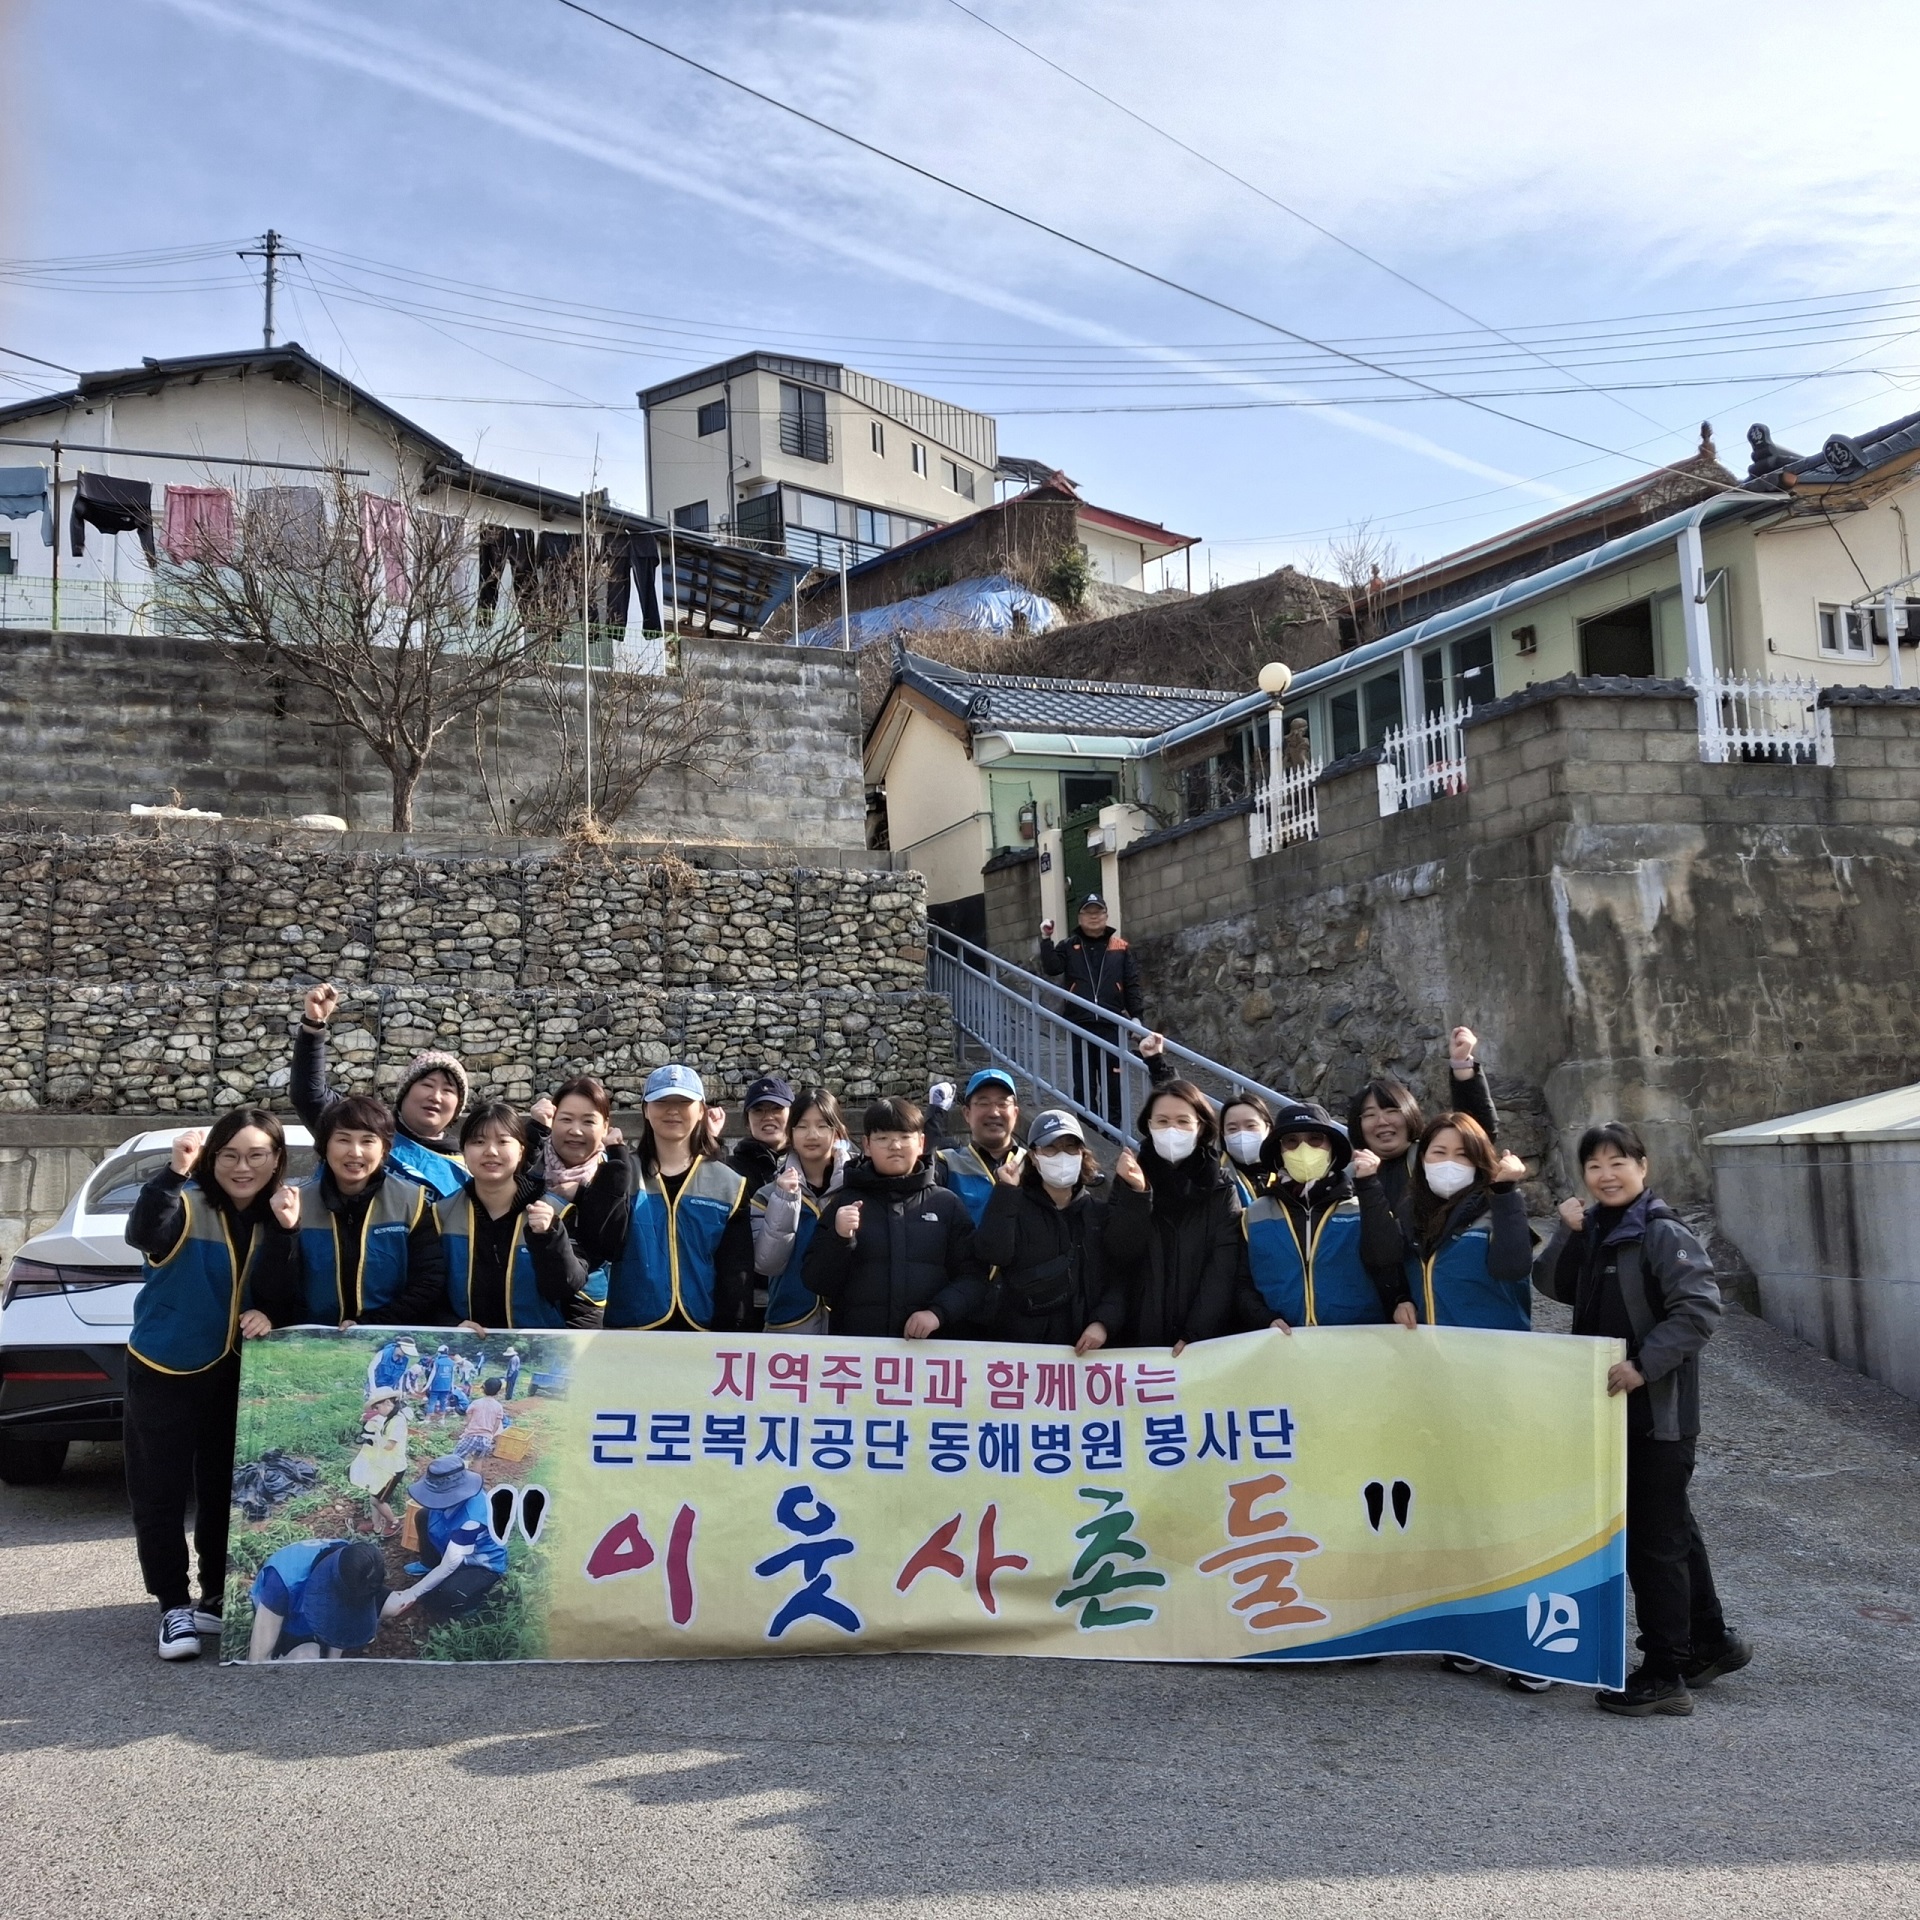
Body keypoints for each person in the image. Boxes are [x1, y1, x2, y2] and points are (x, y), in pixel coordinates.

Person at [1535, 1122, 1752, 1718]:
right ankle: (1710, 1642)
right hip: (1615, 1413)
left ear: (1642, 1166)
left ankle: (1664, 1674)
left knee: (1654, 1544)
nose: (1607, 1175)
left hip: (1658, 1414)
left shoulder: (1662, 1232)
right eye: (1595, 1166)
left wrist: (1642, 1365)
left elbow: (1699, 1310)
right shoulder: (1599, 1229)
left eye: (1618, 1163)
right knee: (1673, 1529)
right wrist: (1567, 1231)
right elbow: (1551, 1283)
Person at [122, 1108, 301, 1661]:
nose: (243, 1167)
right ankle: (172, 1605)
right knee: (160, 1491)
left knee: (228, 1487)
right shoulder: (184, 1202)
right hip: (165, 1367)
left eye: (257, 1155)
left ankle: (217, 1594)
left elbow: (284, 1289)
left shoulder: (280, 1211)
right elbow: (142, 1233)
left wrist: (272, 1299)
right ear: (212, 1157)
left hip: (236, 1370)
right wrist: (173, 1172)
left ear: (276, 1159)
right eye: (230, 1155)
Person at [260, 1094, 449, 1329]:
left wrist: (368, 1327)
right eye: (343, 1140)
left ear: (384, 1148)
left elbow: (428, 1282)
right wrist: (286, 1232)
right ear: (324, 1146)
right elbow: (274, 1291)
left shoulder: (413, 1201)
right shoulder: (295, 1205)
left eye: (368, 1141)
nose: (355, 1152)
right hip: (313, 1340)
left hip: (388, 1335)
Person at [802, 1096, 978, 1338]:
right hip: (859, 1349)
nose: (895, 1146)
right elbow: (816, 1282)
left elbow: (973, 1277)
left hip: (931, 1350)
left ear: (921, 1142)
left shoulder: (947, 1204)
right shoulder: (844, 1203)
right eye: (883, 1138)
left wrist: (938, 1313)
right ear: (866, 1145)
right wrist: (839, 1239)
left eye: (905, 1137)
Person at [601, 1065, 754, 1331]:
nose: (673, 1110)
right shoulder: (621, 1174)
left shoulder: (730, 1184)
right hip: (629, 1332)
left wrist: (731, 1333)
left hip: (701, 1334)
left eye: (684, 1102)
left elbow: (736, 1273)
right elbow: (601, 1244)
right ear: (646, 1110)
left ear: (701, 1111)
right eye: (661, 1101)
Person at [291, 981, 470, 1198]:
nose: (435, 1096)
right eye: (427, 1084)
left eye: (448, 1090)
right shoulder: (362, 1125)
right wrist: (313, 1027)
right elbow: (309, 1096)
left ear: (457, 1108)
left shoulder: (465, 1170)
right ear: (403, 1093)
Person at [434, 1103, 600, 1332]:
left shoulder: (558, 1212)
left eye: (503, 1141)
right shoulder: (440, 1214)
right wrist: (449, 1324)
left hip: (539, 1347)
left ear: (521, 1150)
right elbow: (426, 1287)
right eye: (478, 1142)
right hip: (467, 1346)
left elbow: (567, 1287)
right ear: (463, 1151)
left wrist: (549, 1237)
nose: (491, 1151)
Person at [1104, 1080, 1243, 1353]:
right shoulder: (1130, 1179)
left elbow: (1223, 1268)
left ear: (1200, 1126)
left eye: (1183, 1121)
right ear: (1149, 1126)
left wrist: (1196, 1333)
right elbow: (1119, 1253)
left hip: (1202, 1345)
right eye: (1162, 1121)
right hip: (1139, 1337)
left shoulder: (1222, 1188)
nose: (1172, 1130)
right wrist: (1138, 1194)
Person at [967, 1110, 1123, 1351]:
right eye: (1051, 1148)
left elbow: (1118, 1278)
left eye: (1071, 1148)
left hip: (1088, 1352)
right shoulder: (1013, 1206)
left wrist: (1103, 1323)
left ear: (1082, 1154)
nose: (1062, 1156)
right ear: (1034, 1156)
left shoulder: (1098, 1214)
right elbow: (993, 1254)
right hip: (1025, 1352)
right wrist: (1005, 1192)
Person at [1242, 1104, 1402, 1330]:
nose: (1303, 1148)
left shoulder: (1362, 1207)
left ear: (1332, 1148)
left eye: (1315, 1139)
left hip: (1357, 1340)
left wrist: (1368, 1186)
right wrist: (1263, 1318)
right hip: (1282, 1341)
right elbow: (1241, 1282)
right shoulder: (1254, 1214)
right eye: (1291, 1142)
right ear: (1279, 1152)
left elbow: (1388, 1261)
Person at [1346, 1026, 1499, 1220]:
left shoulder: (1432, 1159)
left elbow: (1476, 1131)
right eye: (1370, 1115)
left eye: (1391, 1111)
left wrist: (1462, 1065)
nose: (1382, 1121)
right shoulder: (1346, 1178)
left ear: (1410, 1114)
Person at [1401, 1114, 1533, 1330]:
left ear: (1478, 1161)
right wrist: (1400, 1299)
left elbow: (1514, 1268)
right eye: (1439, 1152)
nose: (1449, 1163)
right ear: (1423, 1158)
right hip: (1430, 1345)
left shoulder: (1497, 1209)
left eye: (1463, 1154)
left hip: (1493, 1346)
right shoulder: (1410, 1212)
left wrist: (1505, 1192)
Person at [750, 1085, 851, 1334]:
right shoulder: (767, 1195)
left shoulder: (857, 1189)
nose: (812, 1134)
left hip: (849, 1324)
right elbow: (767, 1264)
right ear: (790, 1133)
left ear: (837, 1132)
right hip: (788, 1324)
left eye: (822, 1126)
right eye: (802, 1126)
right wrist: (785, 1200)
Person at [526, 1075, 634, 1302]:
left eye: (588, 1121)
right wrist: (534, 1133)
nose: (575, 1131)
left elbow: (610, 1244)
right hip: (525, 1296)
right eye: (566, 1119)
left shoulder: (613, 1170)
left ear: (605, 1127)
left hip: (588, 1302)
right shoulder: (532, 1160)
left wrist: (583, 1195)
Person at [1039, 894, 1144, 1125]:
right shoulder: (1069, 946)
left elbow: (1131, 984)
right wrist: (1046, 939)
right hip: (1080, 1024)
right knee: (1084, 1083)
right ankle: (1088, 1130)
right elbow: (1052, 968)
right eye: (1088, 912)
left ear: (1106, 916)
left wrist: (1136, 1017)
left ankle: (1113, 1131)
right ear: (1080, 917)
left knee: (1113, 1082)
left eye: (1098, 912)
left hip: (1112, 1025)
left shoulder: (1120, 947)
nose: (1094, 916)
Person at [1141, 1034, 1272, 1204]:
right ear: (1222, 1134)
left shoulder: (1287, 1172)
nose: (1242, 1134)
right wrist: (1156, 1063)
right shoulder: (1212, 1170)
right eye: (1232, 1128)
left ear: (1268, 1128)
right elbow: (1182, 1104)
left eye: (1251, 1125)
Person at [245, 1538, 407, 1662]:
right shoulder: (282, 1582)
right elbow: (257, 1659)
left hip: (342, 1595)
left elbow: (344, 1618)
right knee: (307, 1657)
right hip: (293, 1620)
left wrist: (332, 1662)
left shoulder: (355, 1562)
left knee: (393, 1605)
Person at [401, 1455, 510, 1622]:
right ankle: (429, 1563)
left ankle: (471, 1601)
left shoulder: (471, 1520)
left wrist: (412, 1593)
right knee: (423, 1515)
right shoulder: (451, 1500)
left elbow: (448, 1565)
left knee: (443, 1596)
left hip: (479, 1563)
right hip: (454, 1545)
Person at [925, 1067, 1026, 1224]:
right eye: (983, 1103)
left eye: (1003, 1103)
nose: (994, 1112)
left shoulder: (1032, 1163)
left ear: (1015, 1113)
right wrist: (934, 1117)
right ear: (967, 1113)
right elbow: (918, 1179)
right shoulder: (947, 1164)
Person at [349, 1390, 410, 1536]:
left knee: (377, 1500)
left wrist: (375, 1437)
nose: (377, 1411)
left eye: (377, 1407)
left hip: (393, 1468)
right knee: (374, 1495)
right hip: (384, 1464)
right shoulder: (389, 1418)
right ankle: (376, 1525)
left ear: (388, 1402)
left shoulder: (398, 1421)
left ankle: (394, 1522)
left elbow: (389, 1445)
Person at [729, 1074, 794, 1192]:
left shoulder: (807, 1163)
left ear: (793, 1115)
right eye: (758, 1110)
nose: (768, 1117)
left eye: (777, 1108)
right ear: (747, 1121)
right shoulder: (731, 1170)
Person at [455, 1377, 508, 1461]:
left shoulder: (476, 1403)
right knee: (478, 1460)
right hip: (486, 1439)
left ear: (483, 1388)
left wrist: (467, 1430)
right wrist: (491, 1435)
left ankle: (460, 1468)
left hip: (472, 1435)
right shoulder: (498, 1407)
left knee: (456, 1457)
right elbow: (497, 1424)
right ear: (498, 1391)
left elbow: (469, 1419)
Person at [366, 1333, 420, 1398]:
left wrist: (400, 1390)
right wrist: (372, 1387)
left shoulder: (405, 1360)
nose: (405, 1354)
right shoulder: (383, 1353)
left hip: (389, 1388)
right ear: (399, 1347)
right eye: (404, 1352)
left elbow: (401, 1376)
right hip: (375, 1385)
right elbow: (371, 1369)